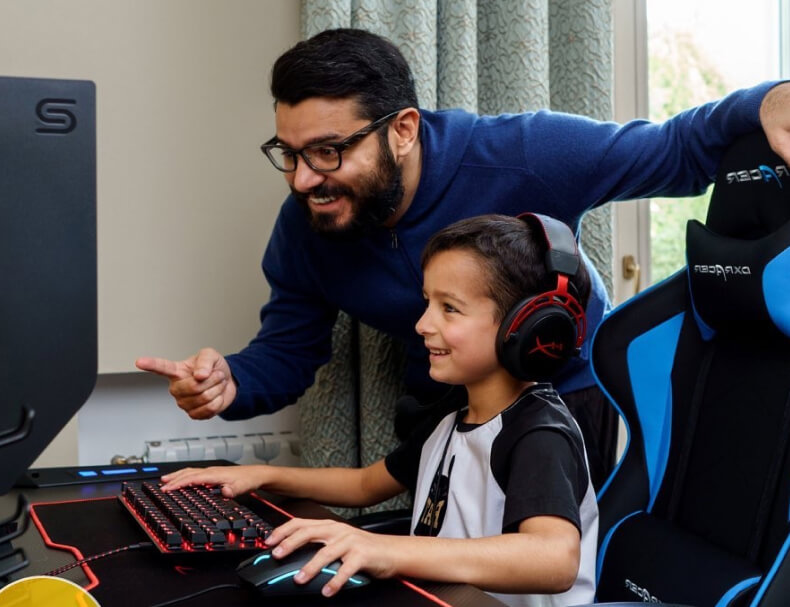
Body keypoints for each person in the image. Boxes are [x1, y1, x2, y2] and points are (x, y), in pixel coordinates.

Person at [136, 28, 790, 491]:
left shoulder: (523, 153)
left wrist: (762, 102)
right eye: (290, 152)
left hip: (570, 410)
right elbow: (286, 350)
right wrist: (230, 382)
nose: (305, 178)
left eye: (329, 151)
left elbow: (676, 150)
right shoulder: (309, 224)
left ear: (403, 129)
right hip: (450, 418)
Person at [159, 213, 599, 607]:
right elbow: (367, 483)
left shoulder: (539, 431)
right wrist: (261, 476)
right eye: (427, 303)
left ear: (527, 326)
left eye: (449, 308)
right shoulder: (451, 416)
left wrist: (386, 550)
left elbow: (553, 559)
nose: (423, 324)